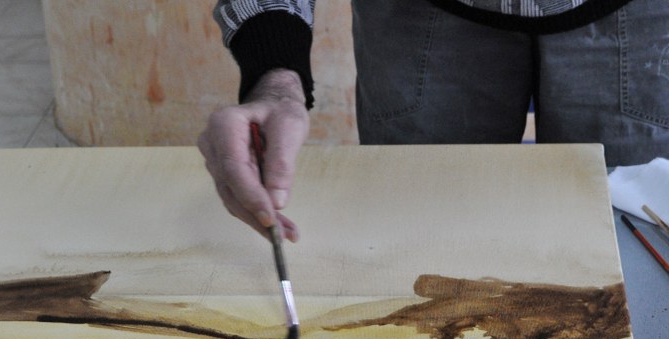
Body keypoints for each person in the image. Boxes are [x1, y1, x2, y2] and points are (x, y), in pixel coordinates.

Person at [197, 0, 669, 242]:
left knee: (635, 251)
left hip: (643, 17)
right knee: (414, 239)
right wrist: (275, 74)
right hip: (421, 12)